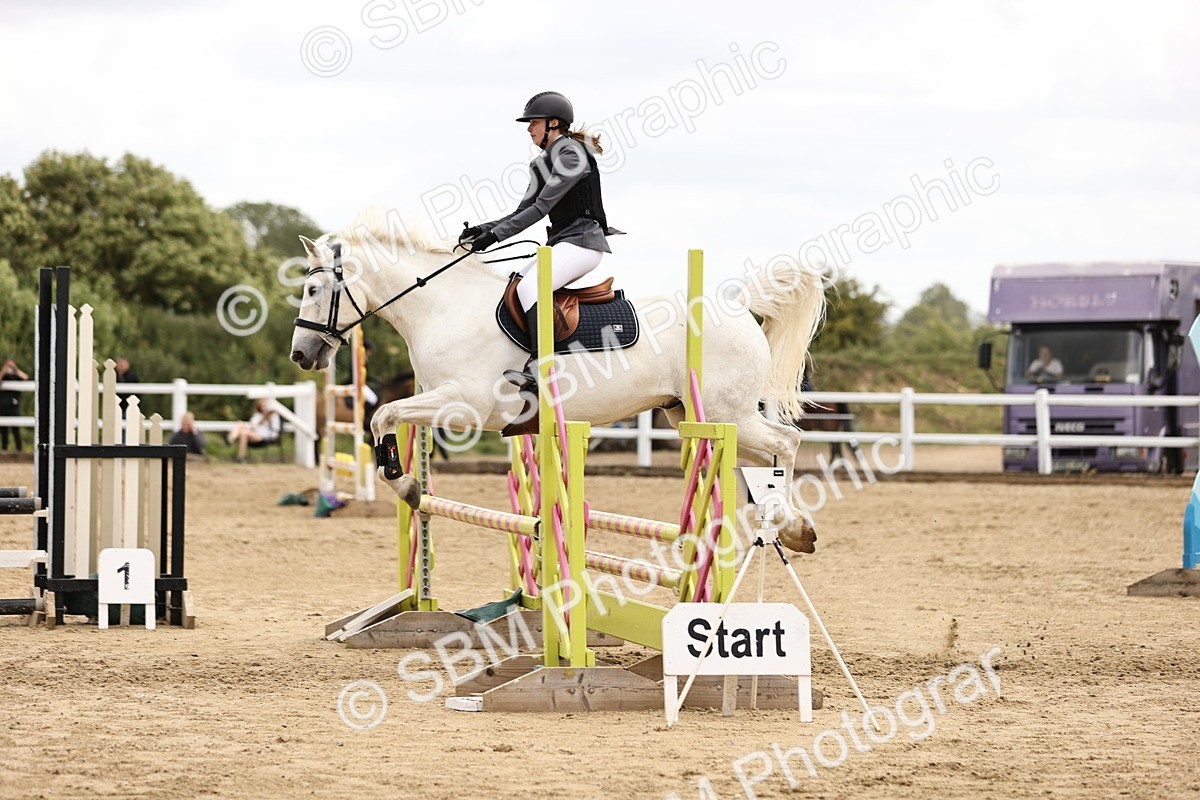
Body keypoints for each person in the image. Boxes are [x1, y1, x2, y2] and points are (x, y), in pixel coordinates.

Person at [459, 91, 623, 400]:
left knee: (528, 289)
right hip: (563, 243)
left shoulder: (572, 154)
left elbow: (541, 210)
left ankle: (541, 369)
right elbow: (521, 212)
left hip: (584, 244)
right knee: (516, 286)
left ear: (554, 124)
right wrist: (483, 229)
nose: (528, 129)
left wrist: (494, 238)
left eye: (533, 122)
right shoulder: (541, 164)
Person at [227, 398, 281, 463]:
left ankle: (231, 440)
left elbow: (275, 431)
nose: (264, 408)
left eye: (265, 406)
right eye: (262, 406)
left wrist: (269, 436)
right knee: (240, 425)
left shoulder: (274, 416)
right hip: (254, 434)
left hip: (264, 436)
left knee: (244, 433)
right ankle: (240, 456)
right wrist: (261, 419)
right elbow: (253, 425)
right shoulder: (258, 415)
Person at [0, 357, 29, 452]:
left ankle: (19, 449)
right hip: (2, 405)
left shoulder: (16, 376)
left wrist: (15, 368)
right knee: (4, 430)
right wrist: (4, 370)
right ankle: (4, 449)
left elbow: (25, 377)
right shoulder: (4, 376)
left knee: (15, 429)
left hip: (14, 405)